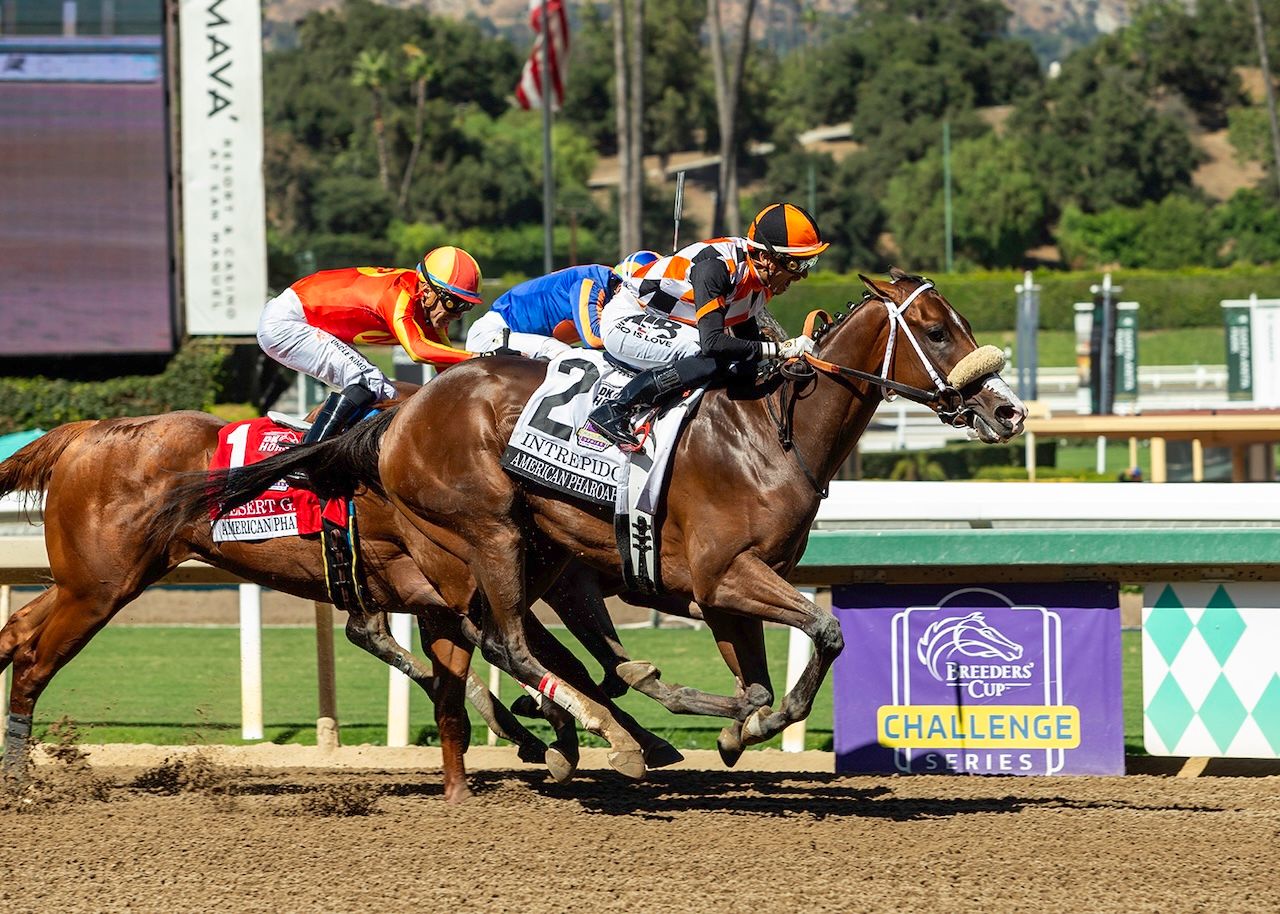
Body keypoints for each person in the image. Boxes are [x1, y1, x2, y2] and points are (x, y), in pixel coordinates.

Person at [586, 203, 828, 449]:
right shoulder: (716, 268)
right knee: (710, 357)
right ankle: (615, 410)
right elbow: (713, 344)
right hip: (628, 317)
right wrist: (781, 349)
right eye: (796, 265)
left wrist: (770, 359)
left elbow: (746, 342)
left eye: (809, 263)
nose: (802, 275)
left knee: (745, 367)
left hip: (662, 321)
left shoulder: (760, 279)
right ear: (766, 258)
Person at [257, 246, 482, 444]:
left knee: (385, 391)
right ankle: (309, 456)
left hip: (304, 318)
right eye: (454, 303)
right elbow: (417, 350)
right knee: (369, 381)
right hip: (287, 322)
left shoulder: (430, 313)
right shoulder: (398, 296)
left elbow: (448, 371)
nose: (457, 315)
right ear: (427, 291)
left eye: (466, 307)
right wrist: (478, 357)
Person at [464, 252, 660, 359]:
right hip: (491, 336)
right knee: (565, 355)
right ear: (624, 284)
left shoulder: (607, 284)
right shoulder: (591, 283)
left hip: (512, 335)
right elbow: (594, 339)